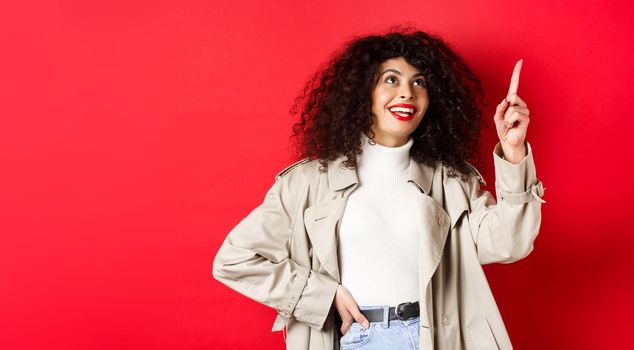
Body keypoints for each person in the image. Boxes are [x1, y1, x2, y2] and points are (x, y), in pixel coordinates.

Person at [211, 29, 545, 350]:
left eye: (419, 82)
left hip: (434, 338)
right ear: (363, 93)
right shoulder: (308, 183)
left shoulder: (451, 182)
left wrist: (514, 152)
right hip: (360, 338)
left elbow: (509, 244)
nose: (407, 93)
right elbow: (234, 259)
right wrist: (323, 295)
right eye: (391, 80)